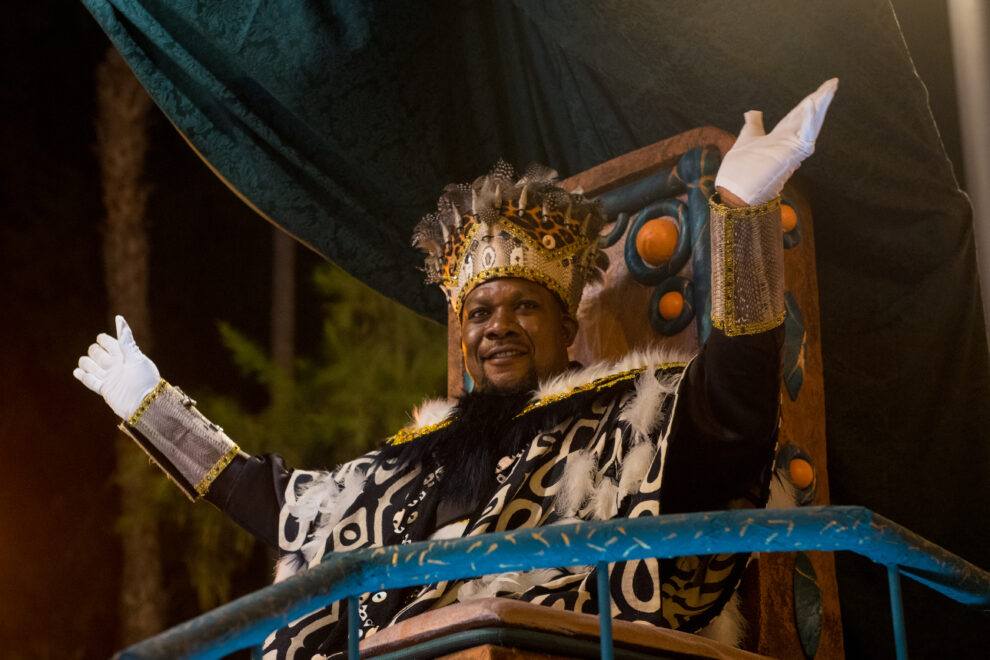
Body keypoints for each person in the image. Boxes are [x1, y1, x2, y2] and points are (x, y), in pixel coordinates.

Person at [74, 80, 837, 658]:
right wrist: (151, 405)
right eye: (479, 312)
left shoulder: (625, 421)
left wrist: (740, 218)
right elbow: (285, 506)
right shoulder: (413, 461)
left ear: (567, 323)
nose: (497, 326)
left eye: (524, 308)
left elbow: (733, 413)